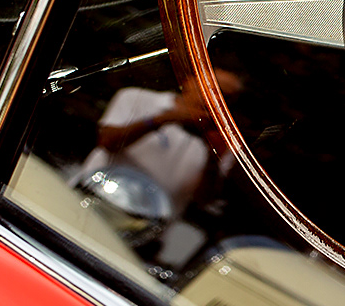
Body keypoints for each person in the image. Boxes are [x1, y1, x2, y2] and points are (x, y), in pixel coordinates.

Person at [79, 72, 246, 228]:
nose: (215, 98)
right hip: (93, 198)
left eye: (226, 96)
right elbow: (107, 141)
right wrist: (164, 119)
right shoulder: (137, 97)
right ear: (188, 82)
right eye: (212, 88)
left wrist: (212, 154)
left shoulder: (223, 141)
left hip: (145, 227)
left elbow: (203, 200)